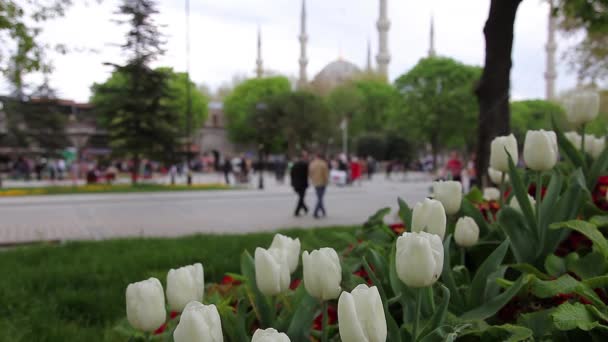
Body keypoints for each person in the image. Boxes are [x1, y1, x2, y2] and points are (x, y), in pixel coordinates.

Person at [309, 153, 329, 218]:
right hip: (322, 182)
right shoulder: (323, 164)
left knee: (319, 197)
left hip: (315, 182)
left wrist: (312, 179)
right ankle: (315, 212)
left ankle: (323, 211)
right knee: (320, 198)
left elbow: (310, 173)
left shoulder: (312, 164)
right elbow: (325, 174)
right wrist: (327, 181)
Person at [290, 151, 309, 216]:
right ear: (303, 157)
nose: (307, 157)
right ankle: (296, 211)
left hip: (295, 184)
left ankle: (305, 208)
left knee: (301, 197)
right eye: (306, 156)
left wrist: (292, 182)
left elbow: (291, 174)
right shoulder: (305, 165)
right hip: (302, 184)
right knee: (301, 198)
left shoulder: (294, 165)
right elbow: (307, 175)